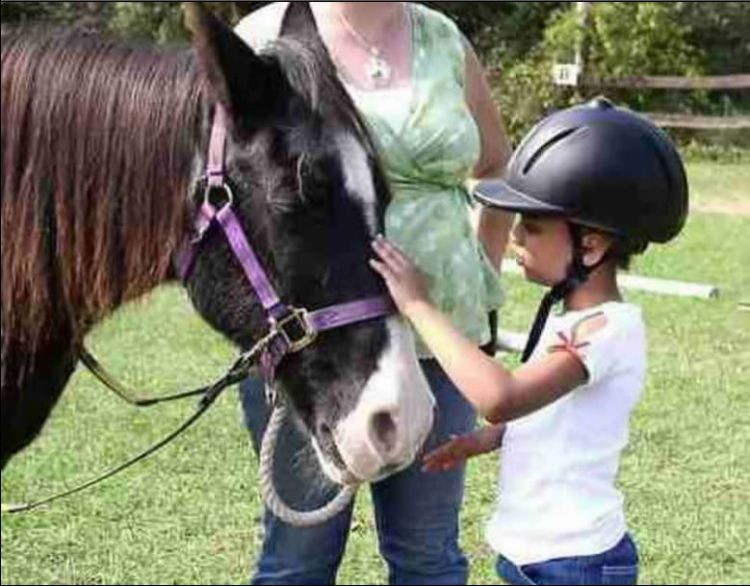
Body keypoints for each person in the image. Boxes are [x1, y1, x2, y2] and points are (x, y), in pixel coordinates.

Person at [234, 3, 513, 585]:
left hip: (442, 335)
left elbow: (495, 166)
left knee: (428, 557)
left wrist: (481, 271)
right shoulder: (264, 37)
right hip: (317, 345)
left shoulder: (442, 37)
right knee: (299, 560)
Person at [371, 97, 689, 586]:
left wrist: (418, 306)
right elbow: (552, 417)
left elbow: (502, 398)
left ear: (592, 243)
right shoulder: (572, 322)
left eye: (533, 227)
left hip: (577, 564)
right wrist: (486, 441)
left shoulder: (608, 330)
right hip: (535, 557)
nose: (516, 237)